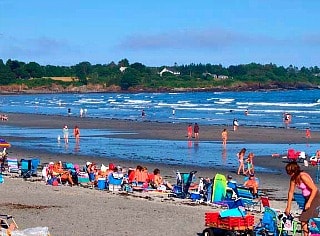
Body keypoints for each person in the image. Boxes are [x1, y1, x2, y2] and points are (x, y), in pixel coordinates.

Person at [285, 162, 320, 236]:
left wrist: (309, 202)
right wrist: (288, 207)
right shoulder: (293, 179)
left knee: (304, 219)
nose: (288, 174)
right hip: (307, 198)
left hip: (315, 197)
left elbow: (315, 189)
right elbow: (290, 192)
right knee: (305, 219)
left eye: (289, 172)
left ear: (294, 171)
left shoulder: (303, 176)